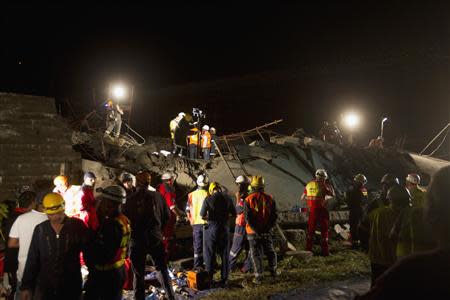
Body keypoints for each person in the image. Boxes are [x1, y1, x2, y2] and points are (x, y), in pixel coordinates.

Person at [356, 166, 450, 299]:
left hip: (385, 257)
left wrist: (365, 245)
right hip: (386, 257)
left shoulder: (410, 271)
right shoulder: (408, 207)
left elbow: (368, 228)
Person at [20, 193, 89, 300]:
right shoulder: (41, 229)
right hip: (45, 287)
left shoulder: (77, 226)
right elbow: (32, 259)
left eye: (58, 213)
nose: (55, 217)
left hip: (70, 285)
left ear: (64, 208)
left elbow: (89, 253)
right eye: (51, 215)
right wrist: (26, 286)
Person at [123, 171, 174, 300]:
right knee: (161, 269)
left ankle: (138, 298)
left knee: (138, 273)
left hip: (137, 240)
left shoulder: (129, 200)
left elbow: (125, 221)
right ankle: (171, 296)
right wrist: (159, 230)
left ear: (137, 182)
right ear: (148, 182)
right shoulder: (157, 196)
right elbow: (167, 216)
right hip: (155, 238)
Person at [84, 185, 131, 300]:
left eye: (103, 201)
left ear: (111, 204)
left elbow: (103, 255)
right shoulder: (124, 220)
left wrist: (87, 246)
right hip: (118, 270)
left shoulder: (111, 225)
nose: (100, 204)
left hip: (106, 275)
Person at [5, 191, 47, 300]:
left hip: (19, 266)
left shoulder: (13, 217)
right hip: (39, 270)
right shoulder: (47, 219)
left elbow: (11, 243)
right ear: (34, 203)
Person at [365, 185, 411, 285]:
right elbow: (390, 238)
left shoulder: (379, 212)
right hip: (386, 260)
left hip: (379, 258)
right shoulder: (388, 214)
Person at [200, 182, 236, 286]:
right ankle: (224, 279)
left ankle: (210, 279)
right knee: (225, 255)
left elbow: (202, 215)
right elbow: (234, 214)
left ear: (211, 190)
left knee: (209, 254)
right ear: (219, 189)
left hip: (211, 230)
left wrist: (210, 217)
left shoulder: (208, 199)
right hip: (224, 230)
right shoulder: (228, 198)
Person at [244, 175, 278, 284]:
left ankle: (259, 277)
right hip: (266, 230)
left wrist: (256, 230)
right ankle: (273, 272)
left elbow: (248, 218)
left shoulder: (248, 199)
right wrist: (267, 228)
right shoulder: (270, 198)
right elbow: (274, 216)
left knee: (256, 254)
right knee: (270, 251)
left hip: (253, 232)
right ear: (263, 186)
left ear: (252, 186)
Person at [394, 173, 435, 258]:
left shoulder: (405, 192)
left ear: (408, 181)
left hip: (405, 221)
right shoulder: (424, 193)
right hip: (421, 225)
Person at [301, 169, 335, 256]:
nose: (324, 180)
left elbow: (303, 197)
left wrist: (310, 205)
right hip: (321, 211)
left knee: (311, 231)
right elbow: (332, 196)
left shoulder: (309, 185)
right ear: (323, 178)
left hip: (312, 211)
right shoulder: (324, 186)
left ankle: (308, 251)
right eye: (324, 179)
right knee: (324, 231)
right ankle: (325, 252)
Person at [158, 172, 185, 261]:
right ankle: (167, 259)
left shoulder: (160, 187)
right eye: (172, 179)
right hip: (168, 218)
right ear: (169, 181)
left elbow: (173, 204)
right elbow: (172, 207)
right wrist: (180, 216)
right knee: (167, 238)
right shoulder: (168, 190)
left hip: (161, 216)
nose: (173, 181)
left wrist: (181, 212)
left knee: (166, 237)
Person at [229, 175, 252, 273]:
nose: (237, 186)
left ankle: (229, 267)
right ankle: (246, 268)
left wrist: (237, 198)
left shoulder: (243, 196)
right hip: (250, 226)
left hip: (241, 225)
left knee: (235, 248)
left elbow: (238, 210)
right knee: (249, 248)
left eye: (238, 184)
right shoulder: (251, 195)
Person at [186, 174, 209, 268]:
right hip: (207, 224)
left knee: (197, 246)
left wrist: (191, 221)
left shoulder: (191, 195)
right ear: (207, 184)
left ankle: (197, 266)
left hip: (196, 224)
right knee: (207, 245)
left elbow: (187, 210)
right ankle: (208, 265)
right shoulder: (208, 194)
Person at [345, 174, 368, 248]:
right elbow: (366, 199)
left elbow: (347, 198)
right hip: (361, 209)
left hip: (354, 209)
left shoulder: (351, 188)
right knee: (360, 225)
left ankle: (354, 242)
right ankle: (360, 241)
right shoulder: (364, 189)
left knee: (353, 225)